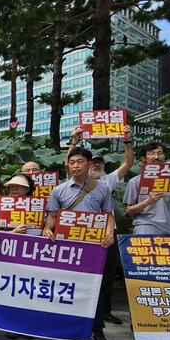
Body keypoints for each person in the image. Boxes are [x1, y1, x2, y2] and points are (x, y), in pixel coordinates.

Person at [42, 147, 117, 340]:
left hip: (93, 246)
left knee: (95, 288)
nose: (75, 166)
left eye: (80, 162)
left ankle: (97, 329)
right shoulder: (59, 190)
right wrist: (47, 230)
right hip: (67, 247)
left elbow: (108, 214)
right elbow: (52, 216)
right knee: (67, 287)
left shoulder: (102, 188)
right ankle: (66, 328)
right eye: (72, 162)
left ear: (90, 164)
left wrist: (109, 233)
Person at [67, 125, 134, 325]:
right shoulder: (72, 179)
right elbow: (69, 161)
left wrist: (127, 140)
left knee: (106, 275)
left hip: (106, 233)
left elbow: (129, 162)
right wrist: (74, 140)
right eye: (92, 162)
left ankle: (104, 312)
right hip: (78, 233)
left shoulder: (108, 181)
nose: (95, 165)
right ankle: (77, 311)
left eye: (98, 162)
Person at [123, 142, 170, 235]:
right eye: (151, 153)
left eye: (160, 153)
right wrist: (148, 202)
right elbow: (129, 210)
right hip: (146, 227)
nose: (156, 157)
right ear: (143, 158)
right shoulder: (135, 181)